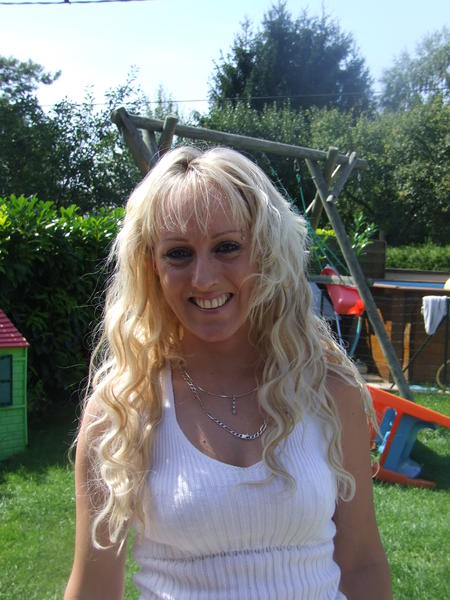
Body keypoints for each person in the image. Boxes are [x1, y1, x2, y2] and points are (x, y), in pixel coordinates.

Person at [64, 146, 392, 600]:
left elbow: (361, 564)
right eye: (178, 253)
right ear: (150, 266)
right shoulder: (121, 410)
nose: (203, 278)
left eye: (227, 247)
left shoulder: (328, 390)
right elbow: (93, 588)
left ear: (265, 252)